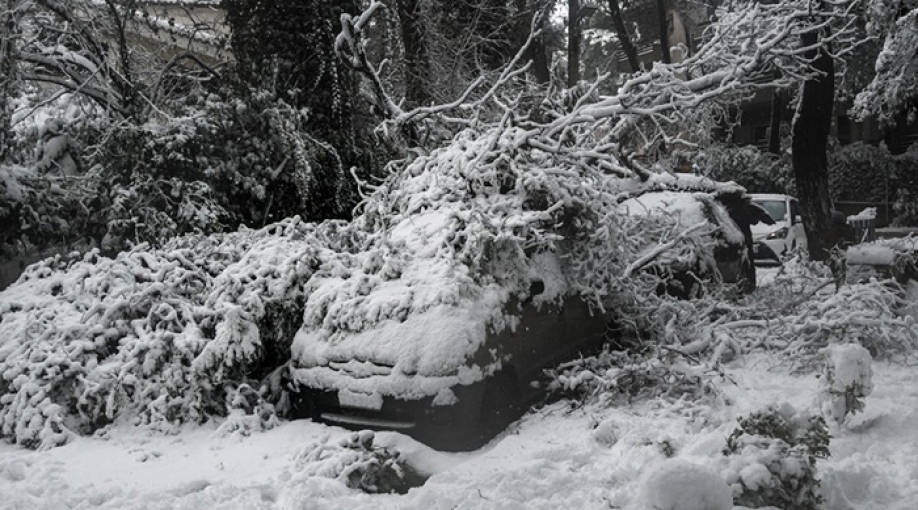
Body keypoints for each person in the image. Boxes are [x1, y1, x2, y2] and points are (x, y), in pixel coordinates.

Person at [823, 210, 856, 289]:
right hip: (848, 251)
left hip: (838, 253)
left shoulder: (833, 229)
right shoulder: (848, 228)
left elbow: (830, 242)